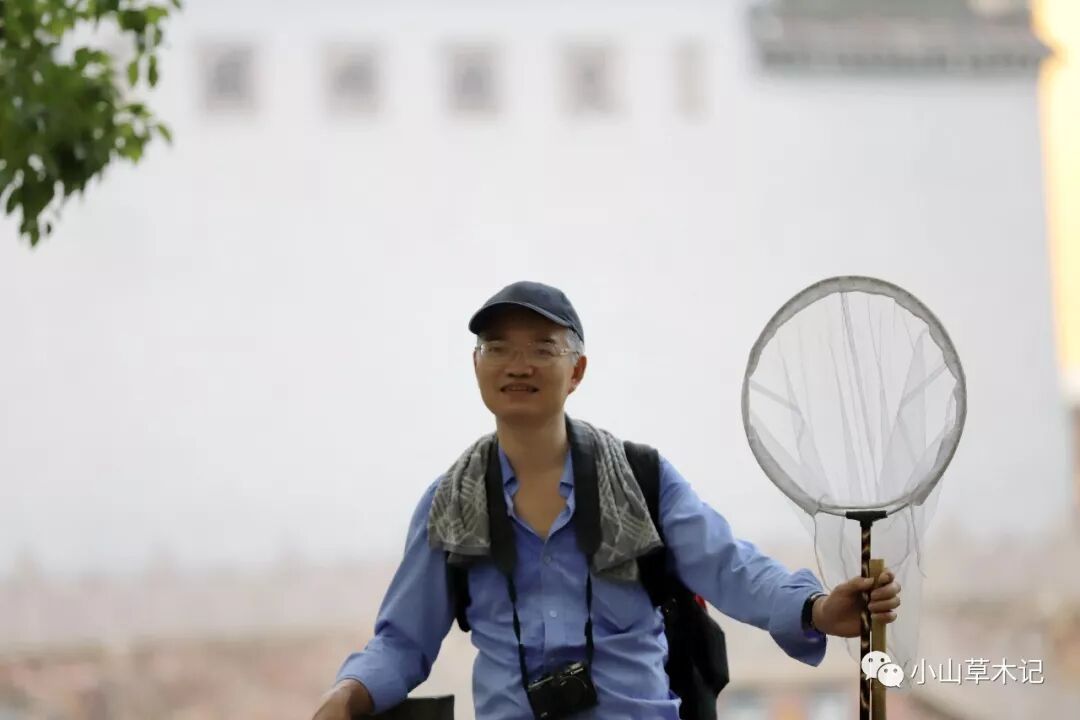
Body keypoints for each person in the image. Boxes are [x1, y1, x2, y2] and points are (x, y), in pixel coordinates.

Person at [311, 281, 901, 720]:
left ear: (577, 370)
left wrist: (818, 610)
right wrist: (346, 696)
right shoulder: (449, 504)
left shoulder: (642, 479)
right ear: (476, 366)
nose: (518, 365)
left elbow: (733, 569)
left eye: (543, 348)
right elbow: (402, 644)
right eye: (497, 348)